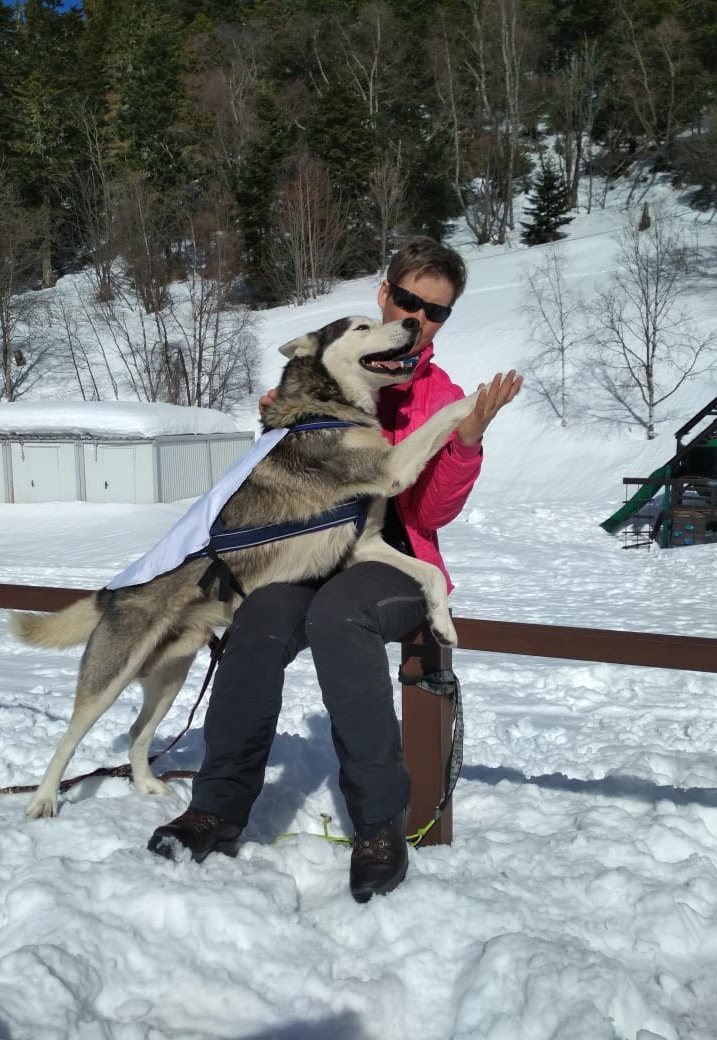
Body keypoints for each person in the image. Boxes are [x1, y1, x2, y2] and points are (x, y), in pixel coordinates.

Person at [148, 237, 522, 902]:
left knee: (338, 614)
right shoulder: (333, 364)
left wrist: (464, 441)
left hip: (393, 561)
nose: (416, 317)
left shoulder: (440, 393)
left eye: (433, 311)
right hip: (314, 551)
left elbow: (432, 512)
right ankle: (219, 805)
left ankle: (380, 823)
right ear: (385, 293)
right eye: (406, 300)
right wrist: (278, 425)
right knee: (261, 618)